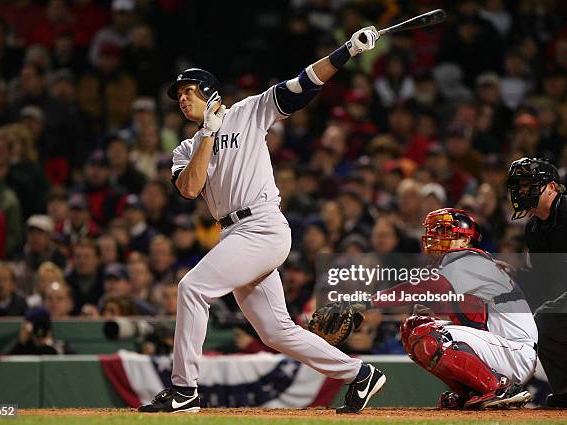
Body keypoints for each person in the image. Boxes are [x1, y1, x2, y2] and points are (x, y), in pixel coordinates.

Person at [139, 25, 384, 414]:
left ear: (209, 92)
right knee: (276, 332)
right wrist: (206, 134)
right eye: (179, 96)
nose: (182, 99)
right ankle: (359, 374)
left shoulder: (247, 112)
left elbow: (303, 84)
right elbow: (189, 189)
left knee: (192, 289)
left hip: (262, 225)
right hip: (234, 233)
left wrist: (347, 51)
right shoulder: (186, 146)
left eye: (189, 92)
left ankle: (184, 389)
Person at [359, 208, 537, 409]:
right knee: (413, 327)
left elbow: (424, 287)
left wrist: (368, 302)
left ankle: (498, 388)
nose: (436, 237)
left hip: (516, 352)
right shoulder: (459, 265)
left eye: (444, 232)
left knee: (431, 334)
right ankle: (471, 391)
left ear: (464, 240)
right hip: (500, 348)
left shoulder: (470, 259)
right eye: (435, 231)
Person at [507, 157, 567, 407]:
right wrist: (514, 274)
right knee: (542, 323)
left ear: (552, 187)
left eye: (530, 185)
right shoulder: (533, 228)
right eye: (519, 186)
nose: (522, 192)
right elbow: (547, 281)